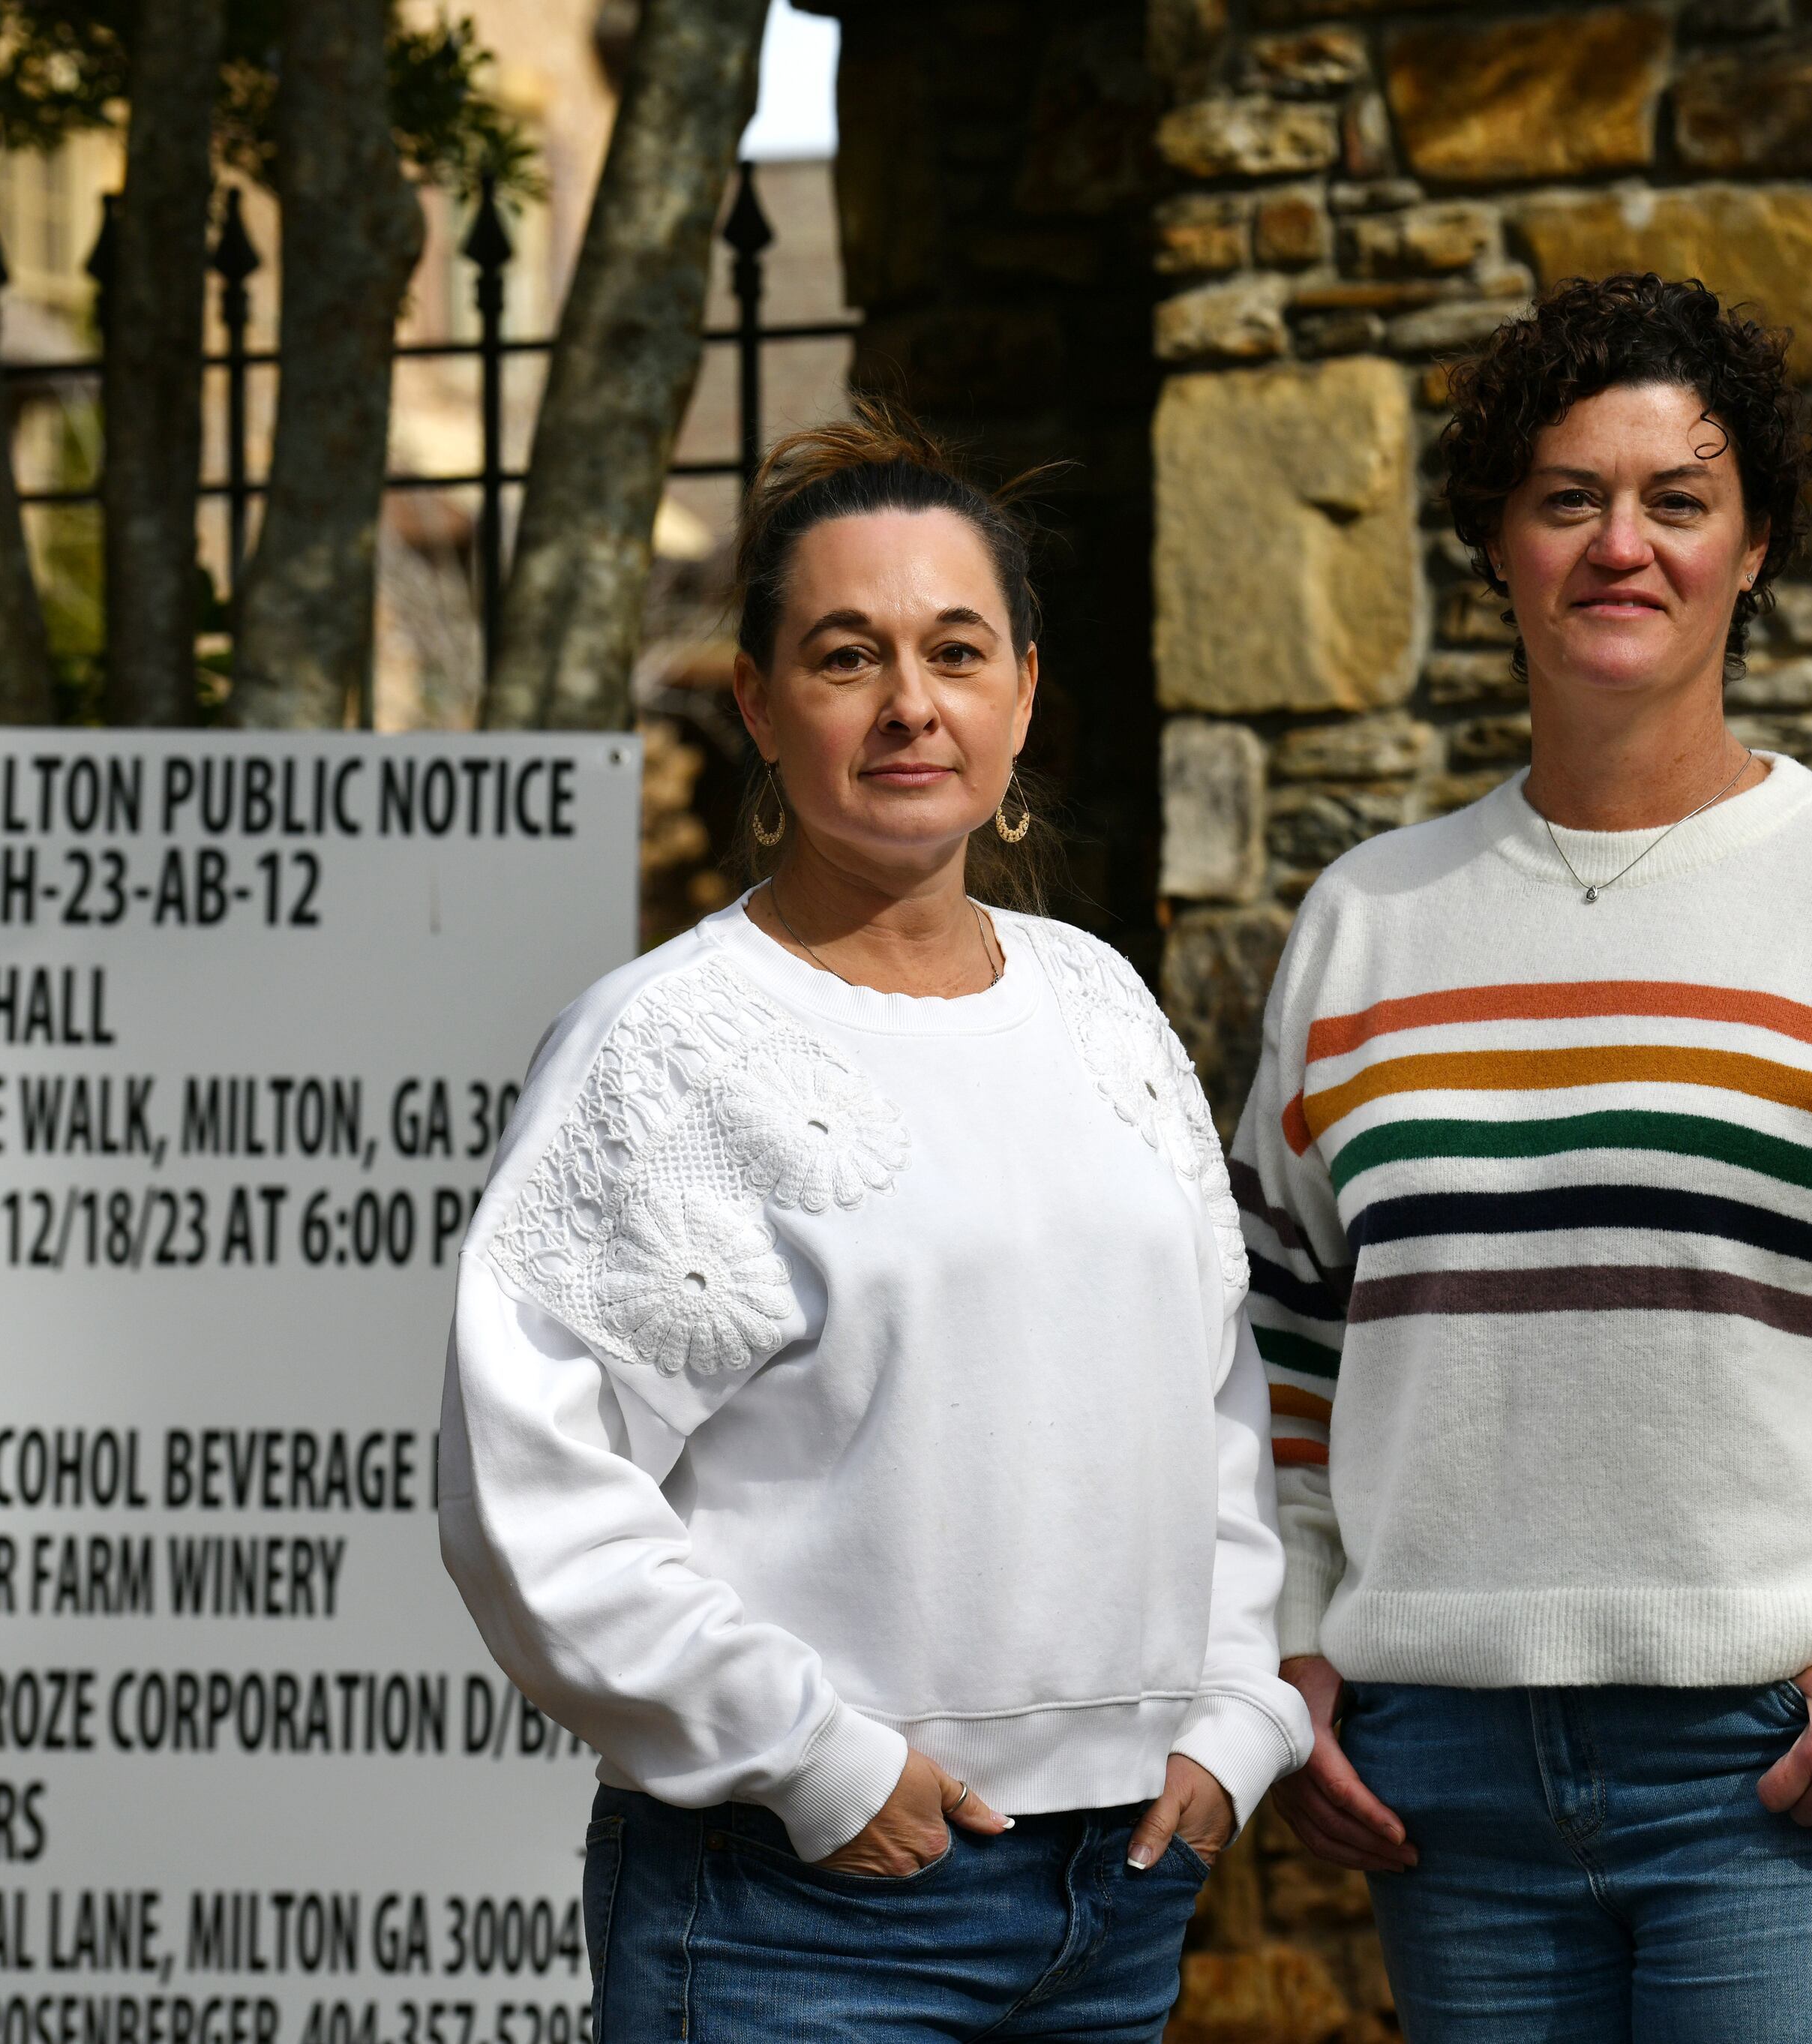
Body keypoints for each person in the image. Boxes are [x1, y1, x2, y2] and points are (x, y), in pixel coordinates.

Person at [1236, 273, 1812, 2041]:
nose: (1621, 546)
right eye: (1568, 498)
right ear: (1496, 545)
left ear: (1755, 551)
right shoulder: (1367, 924)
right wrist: (1294, 1637)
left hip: (1803, 1769)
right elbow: (1276, 1342)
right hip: (1454, 1794)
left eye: (1680, 501)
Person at [438, 403, 1308, 2042]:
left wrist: (1239, 1714)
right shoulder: (668, 1045)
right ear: (760, 705)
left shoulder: (1102, 1008)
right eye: (847, 656)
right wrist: (820, 1762)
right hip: (803, 1911)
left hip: (1115, 1900)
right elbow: (532, 1490)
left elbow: (1213, 1407)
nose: (911, 703)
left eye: (956, 651)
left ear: (1024, 692)